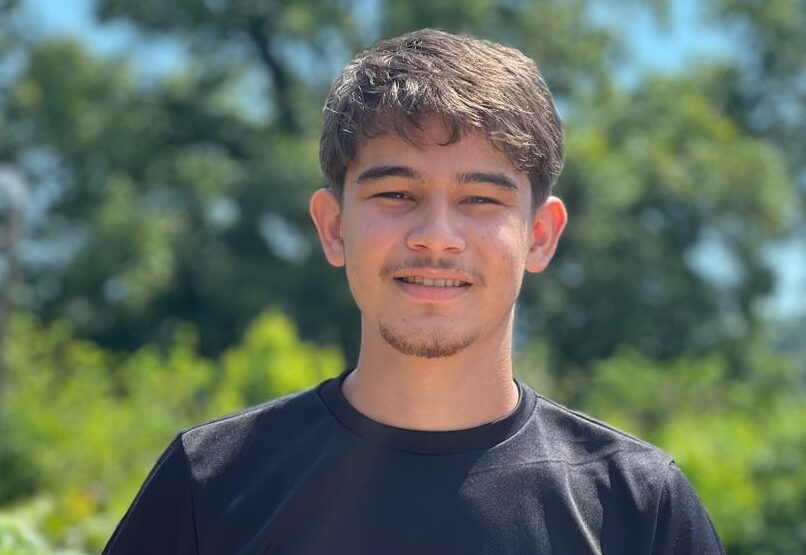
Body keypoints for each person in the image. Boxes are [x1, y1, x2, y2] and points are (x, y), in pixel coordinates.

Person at [103, 29, 724, 554]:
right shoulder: (209, 482)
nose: (436, 236)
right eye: (396, 193)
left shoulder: (640, 509)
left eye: (480, 199)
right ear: (333, 226)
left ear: (539, 236)